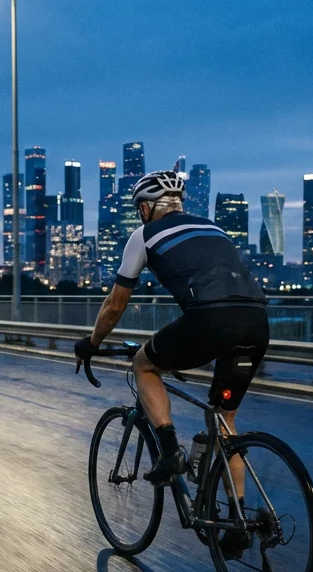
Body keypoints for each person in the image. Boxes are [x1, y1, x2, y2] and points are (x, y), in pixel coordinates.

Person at [74, 170, 270, 486]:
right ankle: (239, 525)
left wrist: (92, 342)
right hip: (257, 321)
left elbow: (115, 305)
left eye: (140, 208)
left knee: (144, 364)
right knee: (223, 421)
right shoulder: (213, 228)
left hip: (210, 321)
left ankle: (170, 454)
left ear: (146, 207)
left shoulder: (145, 235)